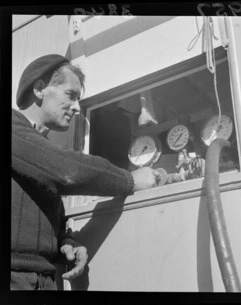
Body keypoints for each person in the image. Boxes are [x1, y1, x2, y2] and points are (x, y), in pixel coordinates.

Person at [11, 54, 160, 290]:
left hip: (44, 279)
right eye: (71, 95)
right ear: (40, 89)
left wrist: (65, 242)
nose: (78, 107)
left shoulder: (38, 158)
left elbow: (47, 216)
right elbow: (68, 170)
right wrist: (130, 180)